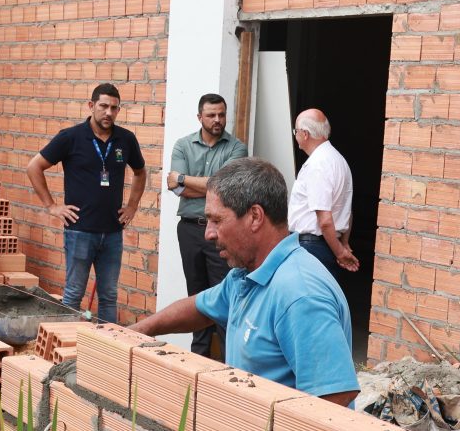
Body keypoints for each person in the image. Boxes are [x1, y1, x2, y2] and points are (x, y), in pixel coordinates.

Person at [131, 157, 359, 406]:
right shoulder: (246, 274)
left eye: (217, 220)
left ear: (255, 217)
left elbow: (334, 398)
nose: (208, 233)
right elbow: (199, 308)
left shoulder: (299, 295)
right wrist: (136, 332)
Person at [26, 83, 146, 324]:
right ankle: (68, 343)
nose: (109, 112)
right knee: (73, 295)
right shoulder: (71, 137)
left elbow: (140, 172)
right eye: (103, 106)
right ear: (91, 106)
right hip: (80, 231)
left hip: (112, 232)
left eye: (114, 108)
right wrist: (52, 206)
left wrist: (132, 206)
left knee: (109, 296)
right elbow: (34, 167)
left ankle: (107, 344)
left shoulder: (126, 139)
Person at [166, 93, 248, 359]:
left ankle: (228, 363)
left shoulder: (237, 149)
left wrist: (183, 179)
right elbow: (175, 188)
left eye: (221, 114)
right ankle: (197, 360)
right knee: (196, 296)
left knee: (224, 298)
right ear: (199, 117)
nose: (217, 120)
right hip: (190, 230)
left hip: (221, 232)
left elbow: (225, 188)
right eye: (211, 115)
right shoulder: (183, 145)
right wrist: (202, 185)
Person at [288, 108, 359, 276]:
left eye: (296, 131)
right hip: (327, 245)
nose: (295, 135)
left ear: (305, 134)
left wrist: (340, 252)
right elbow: (347, 211)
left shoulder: (318, 164)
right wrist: (343, 243)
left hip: (312, 247)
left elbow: (325, 220)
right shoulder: (338, 160)